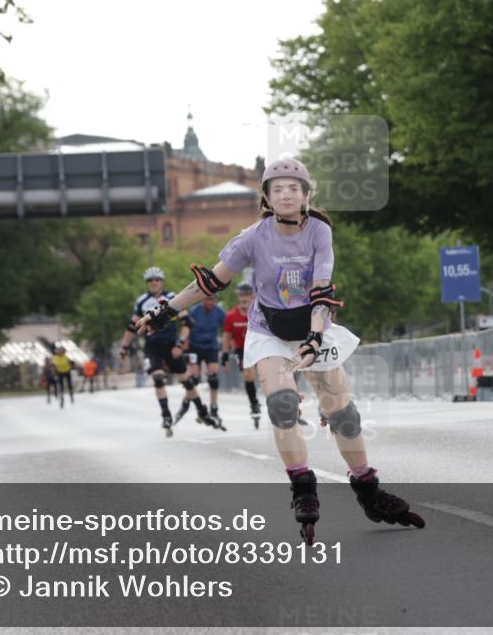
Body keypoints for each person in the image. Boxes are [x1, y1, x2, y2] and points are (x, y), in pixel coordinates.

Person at [134, 157, 424, 542]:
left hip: (312, 326)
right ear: (267, 199)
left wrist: (315, 339)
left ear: (306, 196)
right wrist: (166, 311)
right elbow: (211, 282)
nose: (286, 194)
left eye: (293, 188)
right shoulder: (253, 236)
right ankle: (303, 487)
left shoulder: (319, 231)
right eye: (277, 189)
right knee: (283, 406)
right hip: (269, 329)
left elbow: (322, 291)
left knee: (344, 414)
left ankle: (368, 490)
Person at [120, 266, 222, 437]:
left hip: (171, 345)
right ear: (147, 283)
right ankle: (166, 416)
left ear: (162, 282)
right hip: (152, 347)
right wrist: (124, 347)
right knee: (158, 378)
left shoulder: (170, 298)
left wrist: (180, 344)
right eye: (150, 280)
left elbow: (187, 323)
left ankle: (202, 411)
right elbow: (132, 327)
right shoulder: (142, 301)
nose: (154, 282)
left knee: (187, 381)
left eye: (157, 279)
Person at [173, 294, 226, 427]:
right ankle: (185, 404)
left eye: (212, 299)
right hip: (195, 347)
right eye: (207, 299)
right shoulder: (195, 311)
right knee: (194, 379)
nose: (210, 302)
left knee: (213, 378)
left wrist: (226, 349)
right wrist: (184, 349)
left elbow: (226, 331)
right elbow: (187, 329)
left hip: (211, 347)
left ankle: (214, 409)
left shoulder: (219, 312)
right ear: (203, 300)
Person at [221, 281, 262, 427]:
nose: (244, 298)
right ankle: (254, 404)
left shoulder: (260, 312)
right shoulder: (231, 316)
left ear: (253, 296)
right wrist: (225, 354)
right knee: (248, 374)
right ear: (238, 296)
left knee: (265, 376)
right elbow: (226, 336)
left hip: (260, 347)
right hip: (242, 349)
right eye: (241, 295)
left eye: (247, 295)